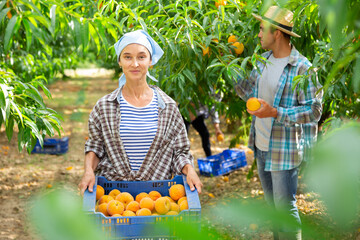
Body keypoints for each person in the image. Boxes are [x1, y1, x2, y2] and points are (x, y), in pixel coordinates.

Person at [233, 6, 323, 240]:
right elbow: (247, 91)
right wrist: (228, 64)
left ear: (278, 34)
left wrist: (275, 112)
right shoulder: (262, 61)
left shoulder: (303, 68)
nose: (259, 35)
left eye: (263, 30)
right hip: (261, 146)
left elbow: (314, 110)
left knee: (285, 209)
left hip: (284, 151)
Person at [78, 30, 203, 195]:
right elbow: (95, 147)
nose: (135, 64)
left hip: (156, 197)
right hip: (113, 199)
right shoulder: (104, 107)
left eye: (141, 57)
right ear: (119, 61)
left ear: (151, 61)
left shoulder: (168, 107)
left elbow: (180, 152)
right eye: (128, 57)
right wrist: (88, 171)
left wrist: (190, 170)